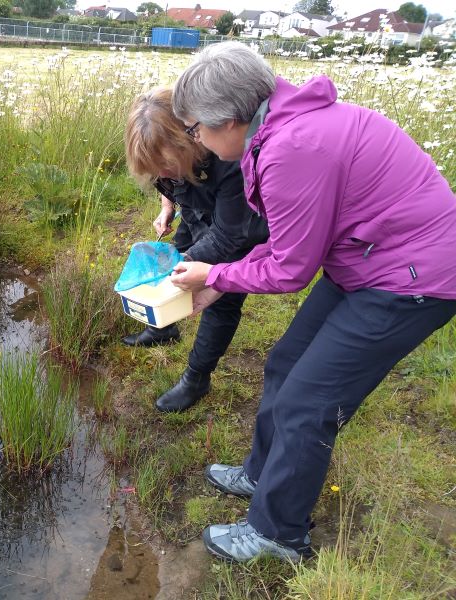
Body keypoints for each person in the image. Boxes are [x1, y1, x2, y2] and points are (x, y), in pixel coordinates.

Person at [169, 42, 456, 563]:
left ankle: (278, 534)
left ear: (229, 120)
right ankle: (260, 474)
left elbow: (291, 269)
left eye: (195, 130)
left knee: (309, 402)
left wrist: (216, 274)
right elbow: (293, 242)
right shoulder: (282, 126)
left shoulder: (292, 146)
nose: (197, 141)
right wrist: (220, 282)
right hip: (365, 259)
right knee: (286, 363)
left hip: (411, 278)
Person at [123, 87, 268, 412]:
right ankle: (164, 326)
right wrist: (167, 210)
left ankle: (197, 378)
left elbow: (229, 236)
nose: (159, 173)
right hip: (195, 211)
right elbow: (170, 183)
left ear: (189, 141)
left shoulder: (229, 159)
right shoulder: (169, 164)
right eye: (152, 168)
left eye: (165, 164)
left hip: (236, 226)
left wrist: (188, 266)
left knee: (221, 298)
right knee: (178, 261)